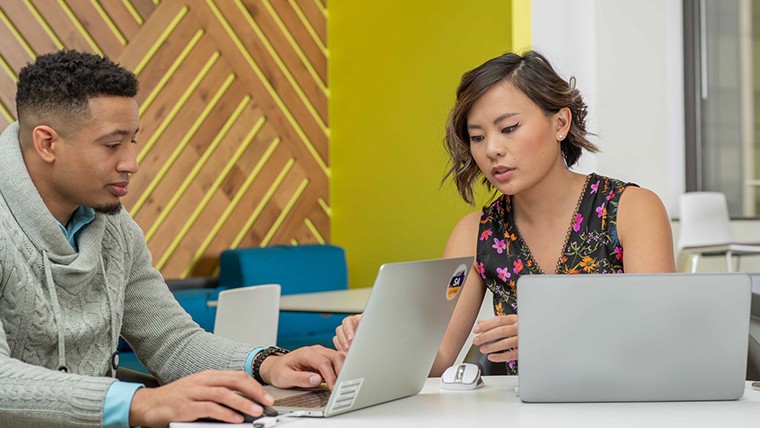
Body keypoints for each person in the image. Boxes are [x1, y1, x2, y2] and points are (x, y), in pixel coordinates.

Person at [0, 50, 343, 428]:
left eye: (133, 141)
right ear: (47, 143)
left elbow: (171, 341)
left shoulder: (115, 226)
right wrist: (139, 403)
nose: (131, 163)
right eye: (113, 145)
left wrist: (269, 363)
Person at [333, 50, 675, 376]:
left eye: (509, 128)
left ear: (560, 123)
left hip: (624, 406)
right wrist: (378, 340)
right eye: (477, 137)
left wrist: (550, 334)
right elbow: (436, 358)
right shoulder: (476, 232)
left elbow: (661, 338)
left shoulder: (630, 208)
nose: (492, 149)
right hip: (520, 412)